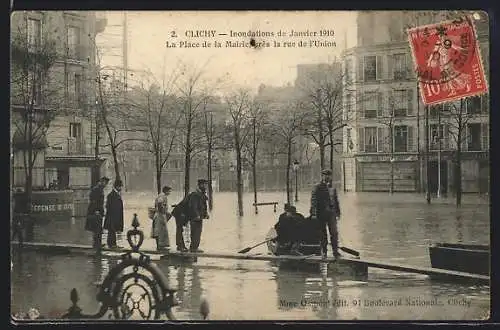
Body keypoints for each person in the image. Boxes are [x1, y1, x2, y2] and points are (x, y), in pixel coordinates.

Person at [310, 169, 341, 259]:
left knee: (334, 233)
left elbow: (336, 201)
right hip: (321, 214)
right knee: (323, 234)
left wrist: (338, 212)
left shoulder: (333, 188)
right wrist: (314, 214)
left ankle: (335, 252)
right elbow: (314, 201)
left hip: (332, 214)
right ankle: (324, 252)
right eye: (325, 175)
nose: (327, 177)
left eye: (329, 175)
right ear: (322, 176)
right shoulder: (317, 187)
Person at [85, 176, 110, 249]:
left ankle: (98, 243)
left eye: (106, 183)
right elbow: (93, 201)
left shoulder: (100, 189)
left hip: (98, 211)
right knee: (96, 228)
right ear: (102, 181)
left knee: (98, 228)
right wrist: (96, 210)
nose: (105, 185)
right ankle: (96, 244)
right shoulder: (96, 189)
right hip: (95, 212)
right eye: (105, 183)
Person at [186, 179, 209, 253]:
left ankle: (195, 247)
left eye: (206, 184)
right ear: (200, 185)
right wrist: (196, 215)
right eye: (204, 184)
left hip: (199, 216)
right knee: (195, 232)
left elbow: (203, 205)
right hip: (195, 217)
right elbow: (193, 206)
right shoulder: (195, 194)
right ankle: (193, 248)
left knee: (198, 232)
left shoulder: (202, 193)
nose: (205, 186)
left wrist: (206, 214)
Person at [104, 179, 124, 249]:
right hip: (112, 216)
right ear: (117, 186)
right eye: (120, 186)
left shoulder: (115, 194)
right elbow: (109, 206)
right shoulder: (112, 195)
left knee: (112, 231)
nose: (121, 188)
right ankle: (112, 244)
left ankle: (113, 244)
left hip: (115, 216)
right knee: (111, 230)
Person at [151, 186, 172, 251]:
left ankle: (160, 245)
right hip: (160, 215)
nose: (169, 193)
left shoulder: (160, 196)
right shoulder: (162, 196)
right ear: (166, 191)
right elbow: (160, 204)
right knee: (160, 231)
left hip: (159, 214)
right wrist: (163, 211)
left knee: (158, 231)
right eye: (169, 191)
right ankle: (160, 245)